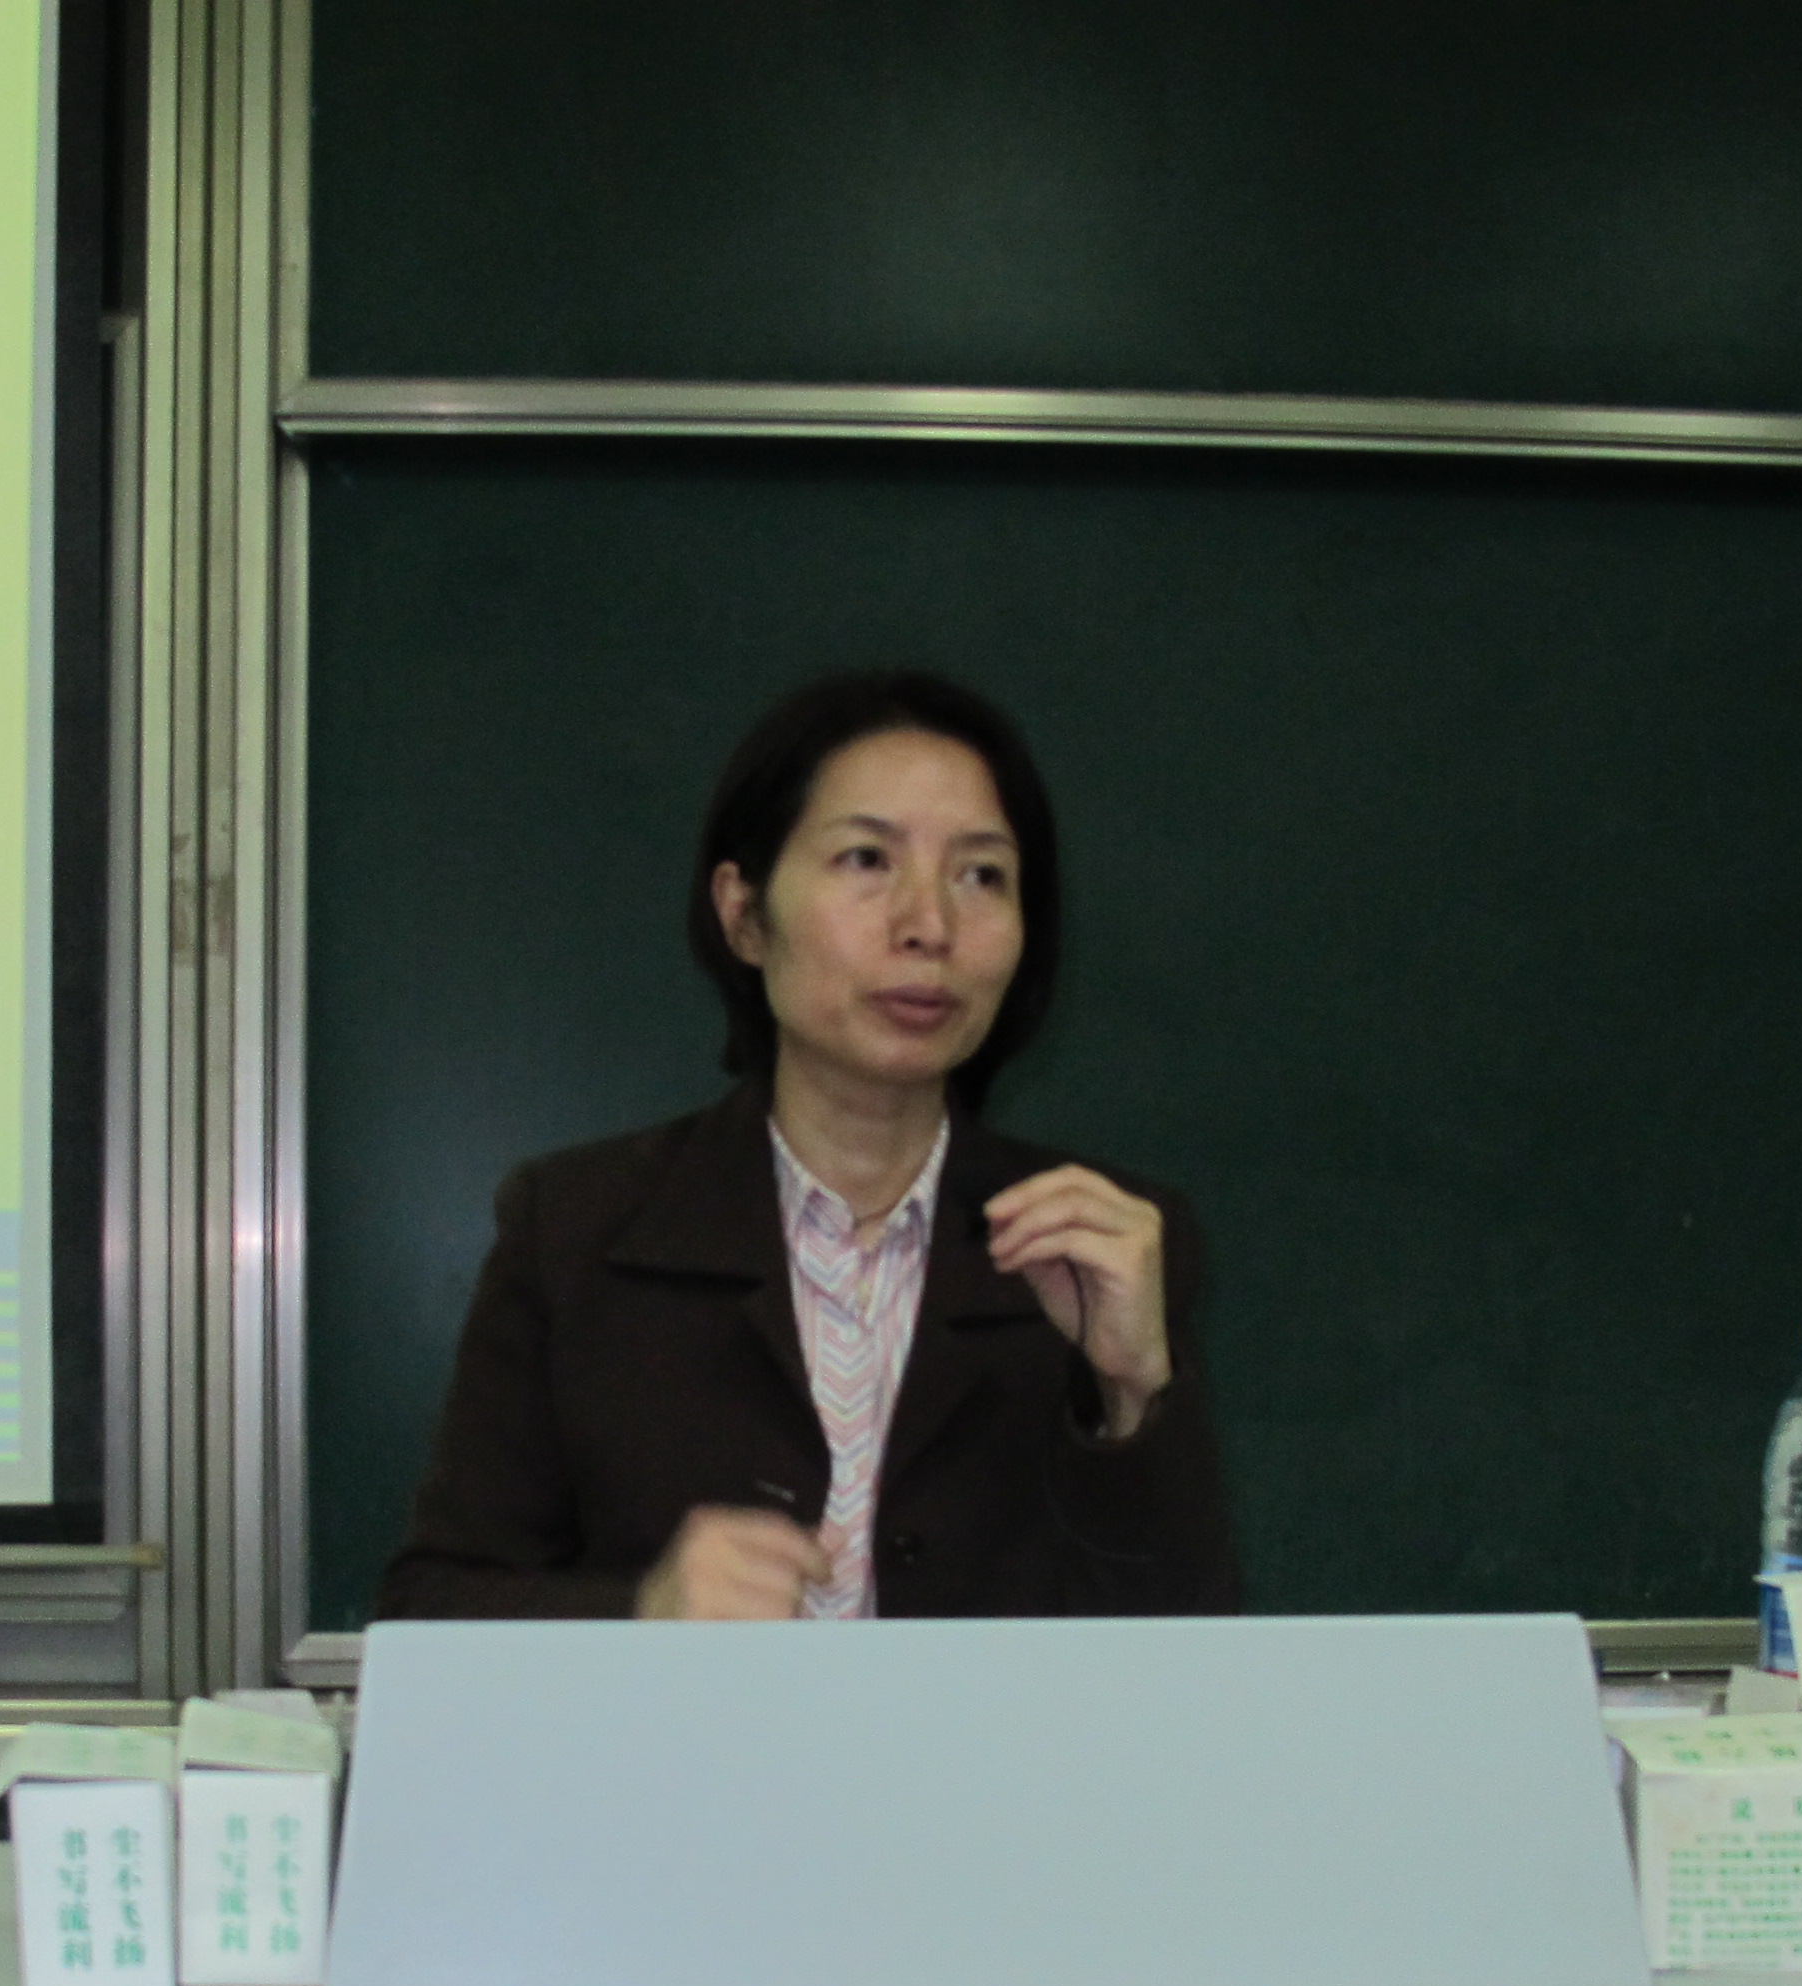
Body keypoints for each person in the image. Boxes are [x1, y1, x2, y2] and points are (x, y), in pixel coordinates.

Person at [376, 670, 1237, 1621]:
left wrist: (1134, 1395)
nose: (929, 926)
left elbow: (1200, 1658)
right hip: (687, 1730)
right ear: (744, 914)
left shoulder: (1103, 1246)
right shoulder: (576, 1230)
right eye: (866, 859)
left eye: (982, 875)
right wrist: (638, 1618)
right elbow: (431, 1612)